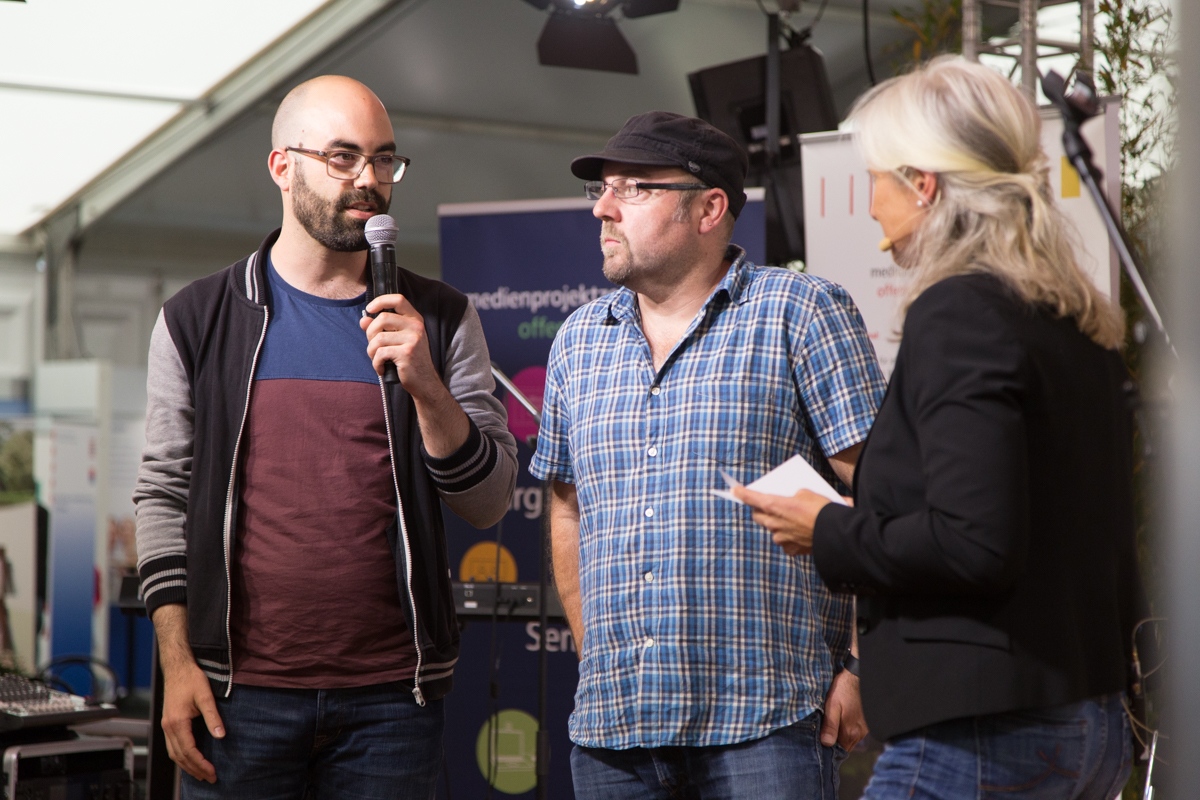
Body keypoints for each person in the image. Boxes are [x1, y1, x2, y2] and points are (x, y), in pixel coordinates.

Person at [733, 57, 1139, 799]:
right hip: (1087, 718)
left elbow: (974, 543)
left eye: (878, 181)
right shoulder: (1077, 320)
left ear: (923, 185)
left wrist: (825, 527)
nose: (869, 206)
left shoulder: (958, 313)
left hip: (988, 730)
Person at [133, 75, 517, 799]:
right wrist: (178, 665)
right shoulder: (198, 319)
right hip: (234, 696)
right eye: (343, 157)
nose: (368, 180)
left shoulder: (438, 318)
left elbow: (489, 502)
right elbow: (163, 496)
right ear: (283, 167)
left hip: (391, 705)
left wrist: (427, 386)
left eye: (384, 159)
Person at [528, 111, 887, 798]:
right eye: (601, 189)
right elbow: (568, 513)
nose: (604, 208)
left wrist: (862, 667)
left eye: (633, 188)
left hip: (766, 725)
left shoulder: (800, 312)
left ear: (709, 208)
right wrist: (595, 654)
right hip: (613, 735)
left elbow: (879, 495)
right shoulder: (578, 340)